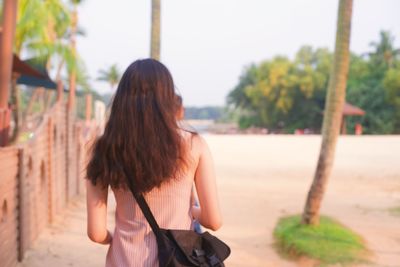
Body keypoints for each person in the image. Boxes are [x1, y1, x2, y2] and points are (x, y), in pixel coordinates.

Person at [85, 58, 222, 267]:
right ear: (167, 98)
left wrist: (115, 240)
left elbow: (96, 233)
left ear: (122, 98)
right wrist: (191, 210)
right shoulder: (193, 145)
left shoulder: (104, 148)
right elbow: (213, 221)